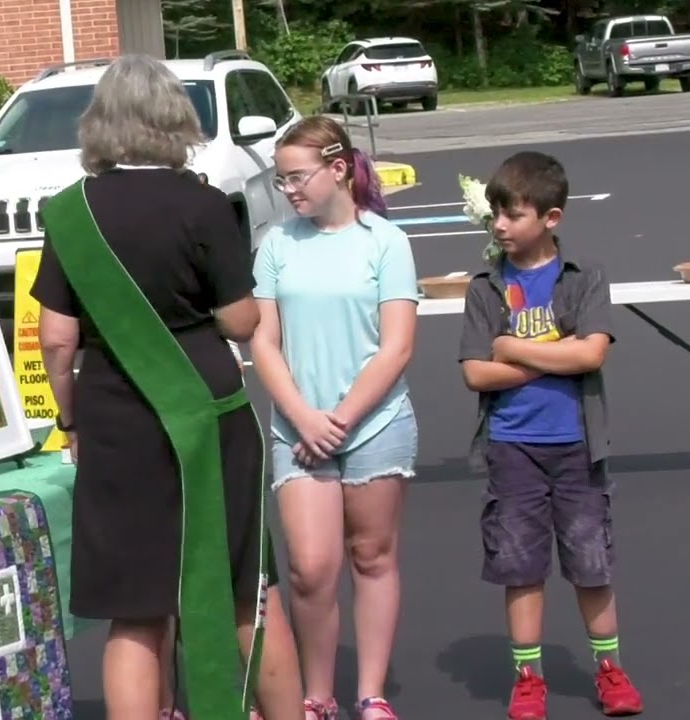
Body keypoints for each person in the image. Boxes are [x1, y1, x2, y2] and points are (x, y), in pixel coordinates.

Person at [30, 54, 303, 720]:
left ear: (100, 125)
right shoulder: (205, 204)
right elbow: (241, 320)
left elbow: (56, 339)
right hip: (206, 409)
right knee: (244, 588)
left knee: (137, 608)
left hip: (116, 419)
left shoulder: (70, 212)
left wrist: (69, 420)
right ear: (175, 121)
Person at [457, 151, 644, 719]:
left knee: (591, 561)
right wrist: (554, 354)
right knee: (521, 566)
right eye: (495, 215)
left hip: (578, 445)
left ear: (551, 218)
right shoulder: (485, 288)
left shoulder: (583, 278)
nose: (499, 226)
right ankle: (528, 679)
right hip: (512, 448)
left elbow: (593, 353)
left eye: (512, 215)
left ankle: (610, 669)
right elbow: (475, 373)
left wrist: (513, 348)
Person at [249, 116, 419, 720]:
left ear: (339, 168)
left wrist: (341, 419)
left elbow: (397, 345)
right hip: (298, 432)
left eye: (297, 177)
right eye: (281, 179)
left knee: (372, 557)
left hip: (375, 424)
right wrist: (304, 417)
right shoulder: (275, 243)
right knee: (310, 569)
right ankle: (314, 696)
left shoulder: (385, 242)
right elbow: (263, 342)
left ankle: (370, 694)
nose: (288, 189)